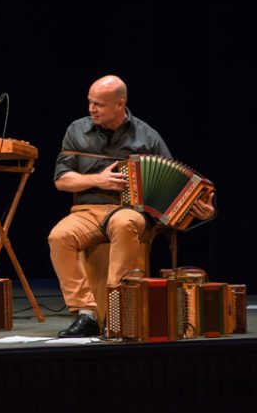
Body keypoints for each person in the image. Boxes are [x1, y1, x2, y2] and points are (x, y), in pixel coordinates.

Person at [48, 75, 216, 337]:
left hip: (131, 212)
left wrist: (202, 211)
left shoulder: (147, 136)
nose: (92, 109)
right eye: (90, 102)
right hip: (88, 211)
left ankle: (117, 309)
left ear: (120, 104)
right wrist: (97, 179)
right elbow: (61, 180)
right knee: (58, 236)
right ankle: (86, 312)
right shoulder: (76, 131)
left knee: (124, 223)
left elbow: (177, 188)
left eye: (99, 105)